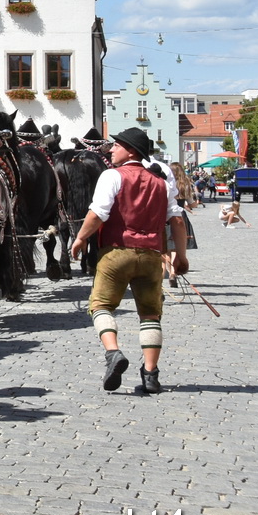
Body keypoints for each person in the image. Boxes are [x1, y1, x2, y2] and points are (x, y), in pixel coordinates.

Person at [69, 127, 188, 396]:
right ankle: (151, 375)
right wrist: (181, 256)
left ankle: (113, 353)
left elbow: (97, 214)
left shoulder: (112, 175)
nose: (112, 149)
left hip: (116, 253)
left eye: (117, 145)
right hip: (151, 256)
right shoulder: (160, 181)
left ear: (131, 150)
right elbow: (177, 220)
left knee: (100, 306)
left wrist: (80, 238)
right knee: (150, 314)